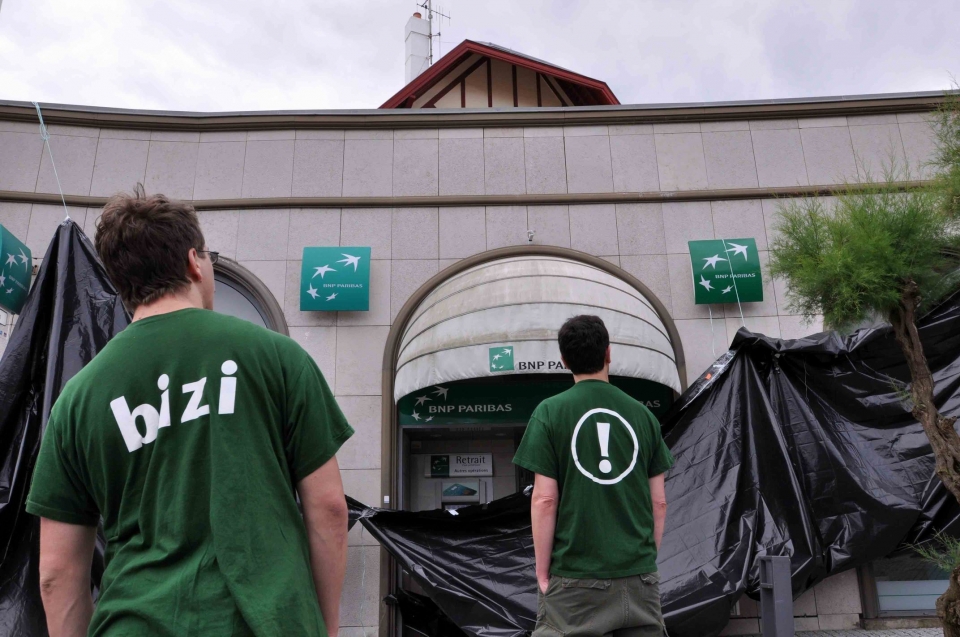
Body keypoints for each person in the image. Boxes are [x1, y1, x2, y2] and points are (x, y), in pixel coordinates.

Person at [26, 188, 353, 637]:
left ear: (123, 285)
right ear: (193, 262)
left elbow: (56, 574)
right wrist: (324, 627)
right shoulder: (278, 357)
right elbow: (330, 509)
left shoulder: (77, 399)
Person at [513, 314, 673, 637]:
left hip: (575, 579)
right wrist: (642, 565)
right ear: (608, 353)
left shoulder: (549, 412)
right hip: (639, 577)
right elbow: (659, 503)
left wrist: (542, 572)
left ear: (563, 360)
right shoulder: (644, 416)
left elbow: (544, 500)